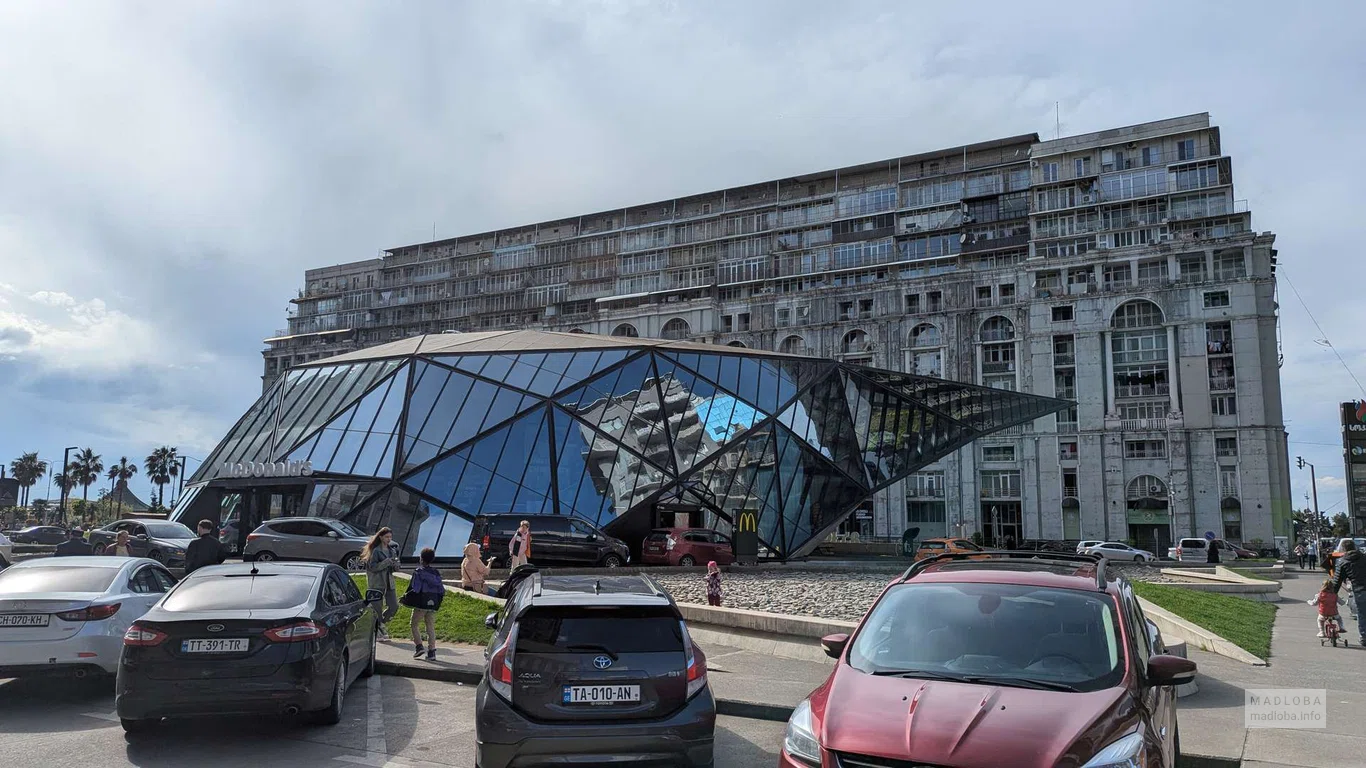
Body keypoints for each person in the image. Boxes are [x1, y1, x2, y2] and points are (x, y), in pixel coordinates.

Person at [362, 527, 400, 639]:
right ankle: (379, 629)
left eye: (390, 537)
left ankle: (381, 623)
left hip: (389, 582)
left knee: (394, 606)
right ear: (380, 537)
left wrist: (396, 565)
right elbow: (373, 568)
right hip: (377, 583)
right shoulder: (375, 551)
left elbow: (394, 567)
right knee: (377, 608)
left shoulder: (392, 550)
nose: (389, 539)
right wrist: (386, 562)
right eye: (386, 537)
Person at [407, 547, 444, 661]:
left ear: (421, 559)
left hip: (421, 602)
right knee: (430, 626)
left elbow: (416, 588)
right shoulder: (436, 572)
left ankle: (419, 646)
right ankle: (432, 651)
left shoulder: (419, 572)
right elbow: (441, 589)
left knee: (414, 624)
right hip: (433, 603)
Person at [1330, 539, 1366, 645]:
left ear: (1343, 549)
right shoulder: (1364, 557)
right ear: (1355, 547)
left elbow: (1337, 581)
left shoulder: (1343, 561)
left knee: (1362, 613)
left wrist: (1332, 595)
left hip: (1359, 590)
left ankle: (1364, 637)